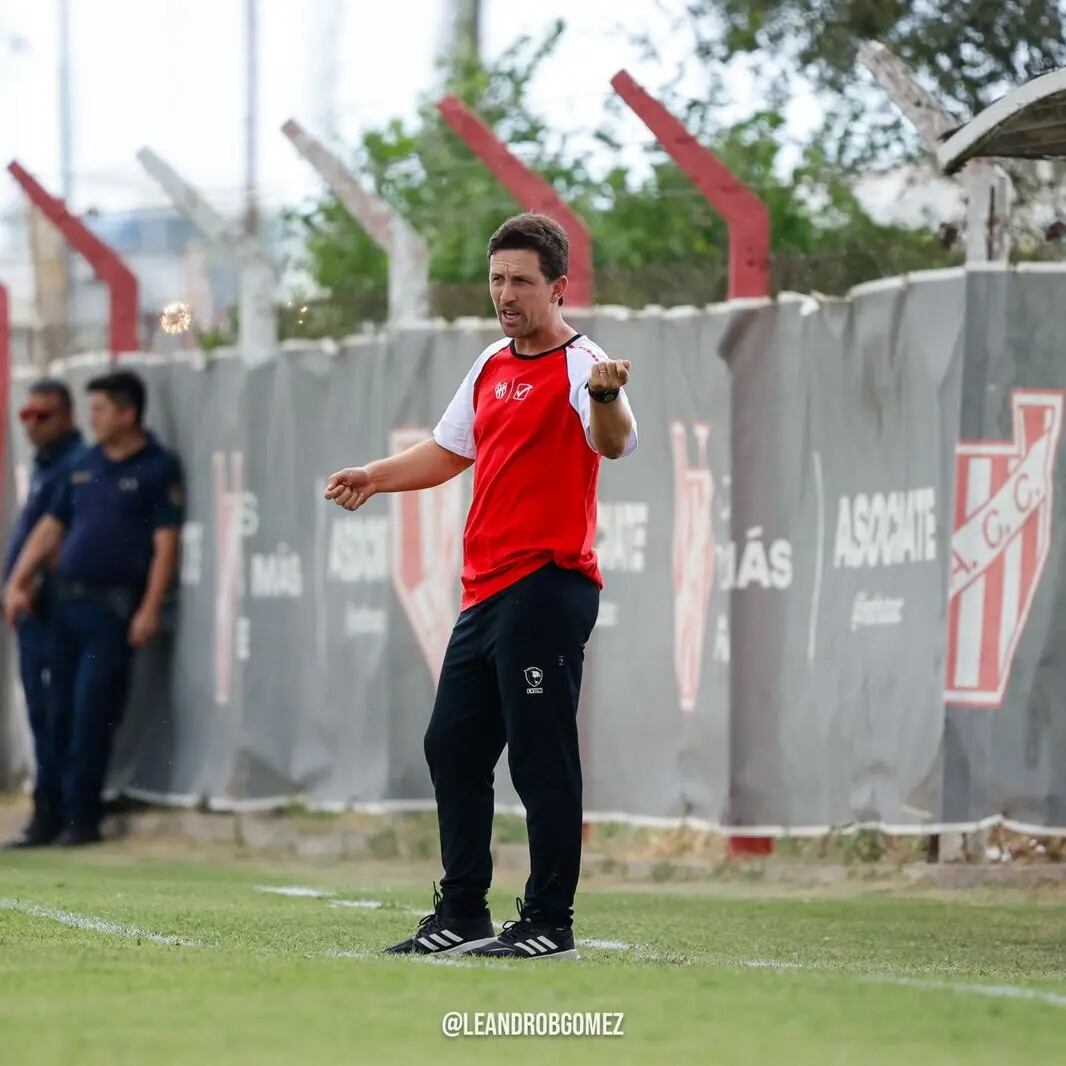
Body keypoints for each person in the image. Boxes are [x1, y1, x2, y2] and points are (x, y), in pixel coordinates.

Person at [325, 213, 638, 959]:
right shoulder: (493, 363)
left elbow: (614, 440)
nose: (506, 293)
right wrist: (375, 476)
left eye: (521, 281)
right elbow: (446, 450)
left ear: (558, 287)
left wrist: (604, 397)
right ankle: (463, 911)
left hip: (547, 585)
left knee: (539, 757)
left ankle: (548, 923)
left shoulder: (582, 365)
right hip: (488, 590)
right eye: (497, 279)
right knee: (452, 748)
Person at [3, 370, 183, 846]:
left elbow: (167, 544)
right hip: (64, 605)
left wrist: (149, 608)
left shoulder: (157, 467)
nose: (93, 418)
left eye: (101, 408)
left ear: (128, 413)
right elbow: (50, 527)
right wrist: (17, 579)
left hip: (113, 609)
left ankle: (81, 818)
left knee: (90, 714)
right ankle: (49, 815)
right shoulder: (82, 464)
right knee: (54, 713)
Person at [2, 380, 86, 849]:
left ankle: (60, 812)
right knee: (41, 712)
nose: (34, 425)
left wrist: (22, 580)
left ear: (67, 417)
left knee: (59, 713)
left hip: (55, 608)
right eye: (27, 416)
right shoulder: (45, 464)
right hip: (34, 610)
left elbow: (61, 532)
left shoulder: (76, 465)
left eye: (44, 416)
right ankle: (47, 810)